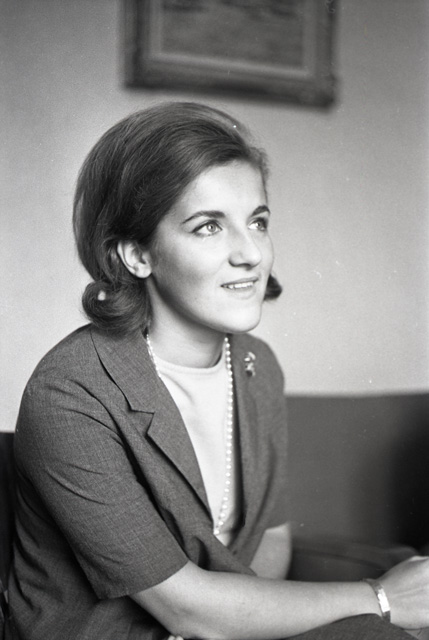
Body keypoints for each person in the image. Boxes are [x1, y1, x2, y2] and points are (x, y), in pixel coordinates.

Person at [9, 102, 429, 640]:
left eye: (258, 222)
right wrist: (383, 596)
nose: (251, 253)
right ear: (137, 254)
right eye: (209, 226)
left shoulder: (258, 366)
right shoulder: (70, 391)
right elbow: (184, 609)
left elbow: (271, 536)